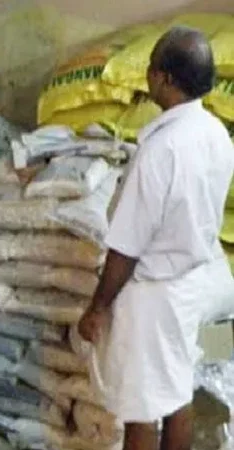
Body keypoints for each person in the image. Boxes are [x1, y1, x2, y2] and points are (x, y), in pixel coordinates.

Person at [78, 26, 234, 450]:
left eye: (151, 68)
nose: (147, 75)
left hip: (150, 297)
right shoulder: (216, 134)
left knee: (141, 412)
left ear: (164, 78)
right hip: (187, 287)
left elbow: (126, 247)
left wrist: (97, 307)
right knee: (177, 394)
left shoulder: (160, 151)